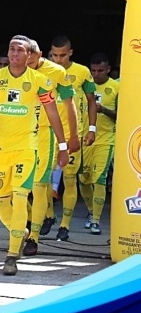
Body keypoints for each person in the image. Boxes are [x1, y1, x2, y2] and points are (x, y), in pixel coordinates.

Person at [0, 35, 68, 276]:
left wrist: (63, 145)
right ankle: (21, 233)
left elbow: (53, 114)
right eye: (11, 49)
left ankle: (11, 255)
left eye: (20, 50)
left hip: (27, 149)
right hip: (0, 150)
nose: (14, 53)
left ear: (29, 55)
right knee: (0, 203)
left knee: (20, 199)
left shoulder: (39, 81)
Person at [22, 39, 77, 256]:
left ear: (39, 55)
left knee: (38, 186)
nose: (27, 64)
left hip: (46, 135)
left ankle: (33, 238)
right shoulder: (12, 72)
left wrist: (73, 136)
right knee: (11, 190)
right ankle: (31, 220)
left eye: (31, 61)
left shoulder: (56, 72)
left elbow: (69, 104)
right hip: (19, 135)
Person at [49, 35, 97, 241]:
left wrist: (92, 128)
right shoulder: (45, 71)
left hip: (72, 134)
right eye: (55, 55)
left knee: (70, 179)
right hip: (48, 133)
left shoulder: (82, 72)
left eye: (62, 55)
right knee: (43, 180)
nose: (58, 59)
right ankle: (48, 215)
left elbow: (92, 101)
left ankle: (65, 225)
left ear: (70, 53)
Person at [78, 53, 118, 236]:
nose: (96, 74)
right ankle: (91, 211)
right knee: (83, 180)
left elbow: (123, 115)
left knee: (99, 179)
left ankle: (95, 220)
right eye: (93, 71)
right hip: (84, 139)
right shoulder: (84, 86)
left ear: (108, 69)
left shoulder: (116, 88)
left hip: (105, 139)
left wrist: (104, 110)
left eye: (100, 71)